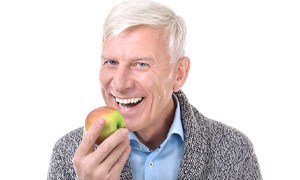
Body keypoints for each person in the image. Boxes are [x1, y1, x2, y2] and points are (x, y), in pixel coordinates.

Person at [47, 0, 262, 179]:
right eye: (111, 62)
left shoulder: (233, 152)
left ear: (179, 74)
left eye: (141, 64)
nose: (120, 84)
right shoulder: (69, 155)